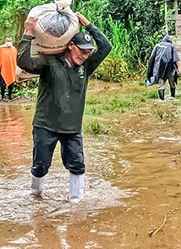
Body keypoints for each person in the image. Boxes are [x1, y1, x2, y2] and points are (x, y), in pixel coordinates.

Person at [17, 13, 111, 203]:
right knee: (41, 165)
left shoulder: (87, 66)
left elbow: (106, 47)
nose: (85, 56)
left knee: (78, 164)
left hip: (72, 128)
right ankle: (36, 196)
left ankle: (76, 203)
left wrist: (89, 25)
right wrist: (28, 31)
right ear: (70, 46)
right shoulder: (49, 62)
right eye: (82, 51)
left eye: (88, 52)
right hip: (46, 125)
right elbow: (23, 61)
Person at [146, 36, 181, 100]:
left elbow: (152, 58)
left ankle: (162, 100)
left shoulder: (157, 46)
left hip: (159, 68)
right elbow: (176, 59)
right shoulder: (171, 46)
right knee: (172, 82)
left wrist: (150, 70)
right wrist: (179, 68)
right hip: (170, 68)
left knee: (161, 83)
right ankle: (172, 96)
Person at [0, 36, 18, 101]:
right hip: (3, 69)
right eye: (8, 41)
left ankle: (10, 96)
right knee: (3, 84)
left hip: (12, 69)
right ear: (5, 41)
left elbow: (16, 59)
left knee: (11, 84)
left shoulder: (14, 49)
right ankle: (2, 96)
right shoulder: (1, 49)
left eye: (10, 41)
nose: (9, 42)